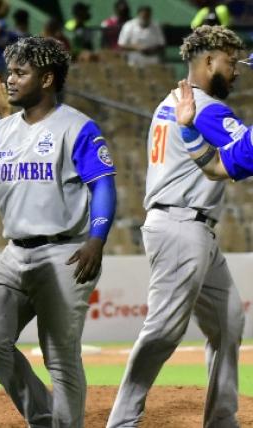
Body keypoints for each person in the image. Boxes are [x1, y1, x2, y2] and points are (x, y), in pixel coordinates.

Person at [0, 36, 117, 428]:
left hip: (65, 250)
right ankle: (44, 416)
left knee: (60, 355)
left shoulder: (77, 127)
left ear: (48, 78)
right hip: (15, 252)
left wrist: (97, 240)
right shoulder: (0, 131)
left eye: (21, 72)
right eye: (10, 71)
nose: (10, 79)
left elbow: (102, 184)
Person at [108, 25, 245, 428]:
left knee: (228, 321)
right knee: (164, 330)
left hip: (188, 224)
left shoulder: (170, 101)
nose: (236, 71)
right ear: (207, 61)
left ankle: (221, 418)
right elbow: (239, 160)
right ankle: (122, 421)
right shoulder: (207, 108)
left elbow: (215, 167)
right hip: (182, 224)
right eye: (230, 62)